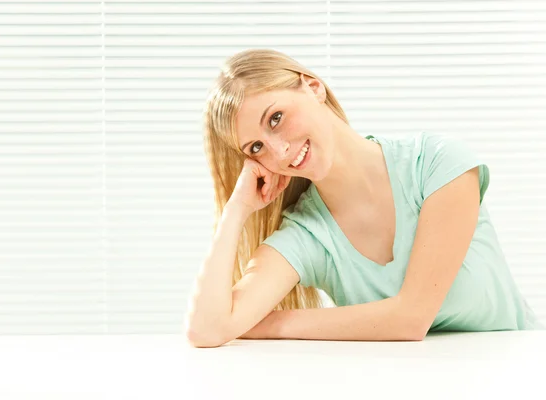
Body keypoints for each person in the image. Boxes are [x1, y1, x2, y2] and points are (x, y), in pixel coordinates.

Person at [184, 48, 544, 348]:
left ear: (312, 87)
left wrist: (272, 323)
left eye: (275, 118)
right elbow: (208, 329)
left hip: (512, 374)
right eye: (257, 147)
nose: (278, 151)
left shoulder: (437, 164)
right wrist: (237, 210)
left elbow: (411, 318)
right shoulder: (307, 234)